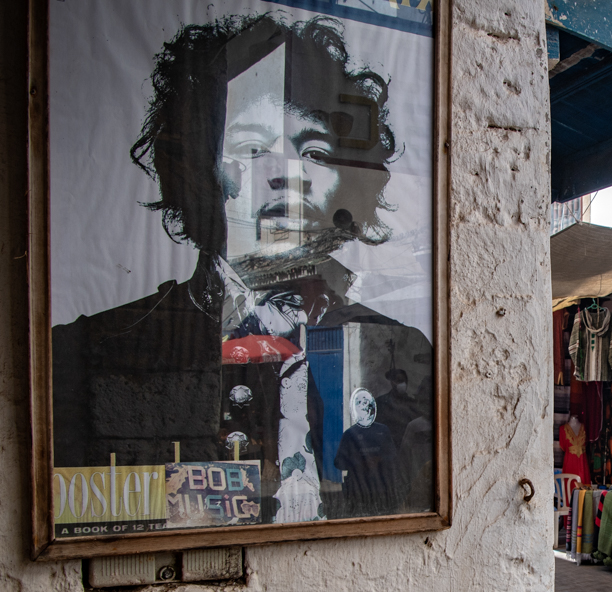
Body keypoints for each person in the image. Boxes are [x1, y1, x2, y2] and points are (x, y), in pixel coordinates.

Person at [52, 14, 433, 522]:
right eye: (253, 148)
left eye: (314, 151)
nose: (286, 175)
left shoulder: (400, 350)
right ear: (198, 169)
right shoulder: (87, 351)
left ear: (346, 182)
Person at [334, 388, 399, 516]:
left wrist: (379, 460)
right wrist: (359, 462)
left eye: (367, 403)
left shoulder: (383, 430)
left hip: (381, 488)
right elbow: (339, 463)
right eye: (359, 403)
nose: (364, 406)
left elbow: (393, 456)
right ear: (354, 408)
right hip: (358, 491)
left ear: (372, 406)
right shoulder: (349, 434)